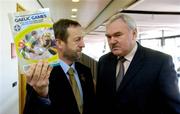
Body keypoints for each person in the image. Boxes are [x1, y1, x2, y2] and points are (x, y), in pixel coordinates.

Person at [96, 13, 180, 114]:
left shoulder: (160, 62)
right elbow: (100, 100)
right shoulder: (104, 61)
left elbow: (172, 107)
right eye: (109, 37)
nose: (112, 41)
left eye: (118, 35)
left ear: (134, 34)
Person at [23, 19, 96, 114]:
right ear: (59, 43)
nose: (83, 45)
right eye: (78, 39)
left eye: (82, 39)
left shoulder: (86, 71)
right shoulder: (41, 75)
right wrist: (42, 95)